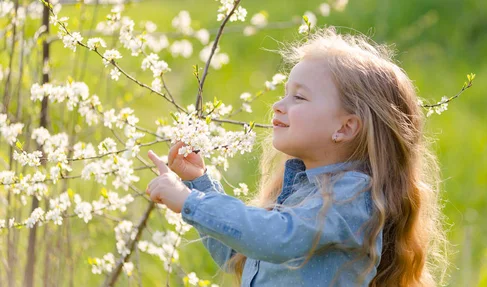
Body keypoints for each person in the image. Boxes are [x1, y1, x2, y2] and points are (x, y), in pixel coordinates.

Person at [146, 27, 448, 287]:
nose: (278, 104)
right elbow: (239, 254)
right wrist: (200, 184)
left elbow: (275, 238)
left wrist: (191, 202)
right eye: (284, 92)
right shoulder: (298, 191)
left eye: (299, 97)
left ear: (345, 127)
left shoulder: (351, 197)